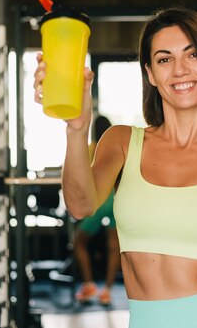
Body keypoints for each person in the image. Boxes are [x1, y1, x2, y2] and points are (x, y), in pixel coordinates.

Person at [34, 6, 197, 328]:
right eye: (164, 59)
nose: (180, 70)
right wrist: (76, 128)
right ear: (150, 74)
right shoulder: (121, 142)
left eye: (193, 55)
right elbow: (80, 205)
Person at [72, 114, 120, 306]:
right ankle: (107, 291)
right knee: (114, 247)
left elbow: (82, 176)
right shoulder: (118, 149)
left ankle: (89, 284)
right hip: (115, 201)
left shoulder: (92, 149)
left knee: (79, 243)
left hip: (98, 202)